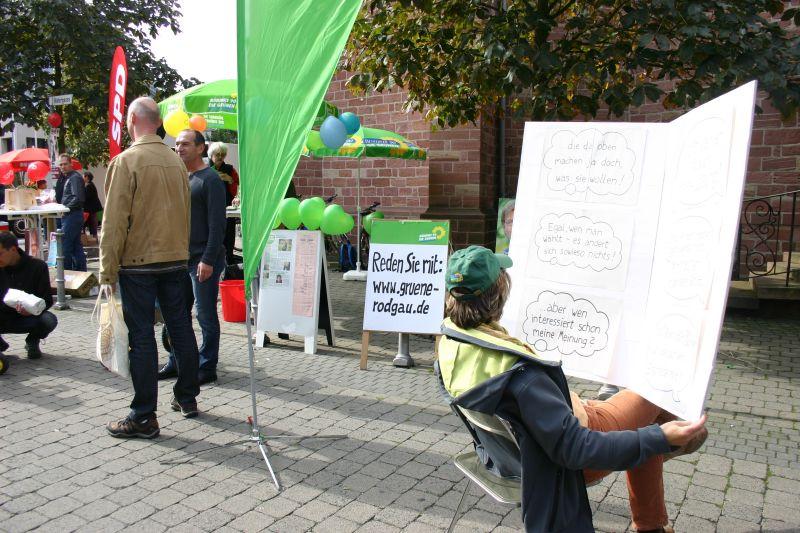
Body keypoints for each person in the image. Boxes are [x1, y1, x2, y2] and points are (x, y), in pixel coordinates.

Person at [437, 246, 708, 533]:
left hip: (519, 447)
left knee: (650, 418)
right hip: (573, 446)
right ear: (500, 295)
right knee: (657, 394)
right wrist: (659, 438)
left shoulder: (449, 343)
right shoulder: (523, 377)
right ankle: (677, 443)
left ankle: (653, 505)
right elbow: (577, 448)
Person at [100, 97, 201, 438]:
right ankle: (187, 397)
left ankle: (144, 415)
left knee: (141, 338)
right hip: (174, 259)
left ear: (131, 121)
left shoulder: (126, 162)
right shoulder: (177, 163)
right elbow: (185, 214)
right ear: (158, 123)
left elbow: (113, 223)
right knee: (181, 329)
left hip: (139, 263)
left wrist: (106, 271)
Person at [158, 129, 226, 386]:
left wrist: (208, 260)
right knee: (177, 315)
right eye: (177, 144)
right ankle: (178, 362)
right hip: (177, 259)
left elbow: (218, 225)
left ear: (201, 148)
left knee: (205, 315)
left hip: (202, 259)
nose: (179, 148)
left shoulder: (211, 180)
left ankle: (207, 366)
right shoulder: (179, 177)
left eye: (185, 144)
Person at [0, 231, 58, 359]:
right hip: (2, 317)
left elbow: (47, 300)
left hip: (27, 317)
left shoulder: (37, 266)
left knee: (49, 320)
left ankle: (32, 341)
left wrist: (31, 311)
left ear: (13, 249)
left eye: (0, 254)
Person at [208, 142, 240, 264]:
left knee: (229, 235)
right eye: (217, 154)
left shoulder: (230, 170)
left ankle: (229, 261)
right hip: (211, 208)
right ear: (211, 155)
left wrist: (230, 180)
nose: (220, 157)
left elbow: (236, 188)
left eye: (223, 154)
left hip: (227, 208)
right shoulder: (206, 169)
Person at [55, 154, 87, 271]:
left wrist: (66, 209)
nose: (62, 167)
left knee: (66, 246)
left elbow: (78, 198)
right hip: (71, 214)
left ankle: (67, 274)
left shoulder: (74, 178)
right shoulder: (68, 177)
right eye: (61, 164)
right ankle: (79, 274)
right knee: (75, 246)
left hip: (72, 215)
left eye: (65, 164)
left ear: (70, 164)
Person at [82, 171, 103, 239]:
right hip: (92, 208)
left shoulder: (88, 185)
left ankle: (93, 237)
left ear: (87, 177)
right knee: (92, 222)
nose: (82, 178)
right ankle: (93, 236)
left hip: (91, 208)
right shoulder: (90, 184)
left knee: (91, 223)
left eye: (83, 176)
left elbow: (86, 197)